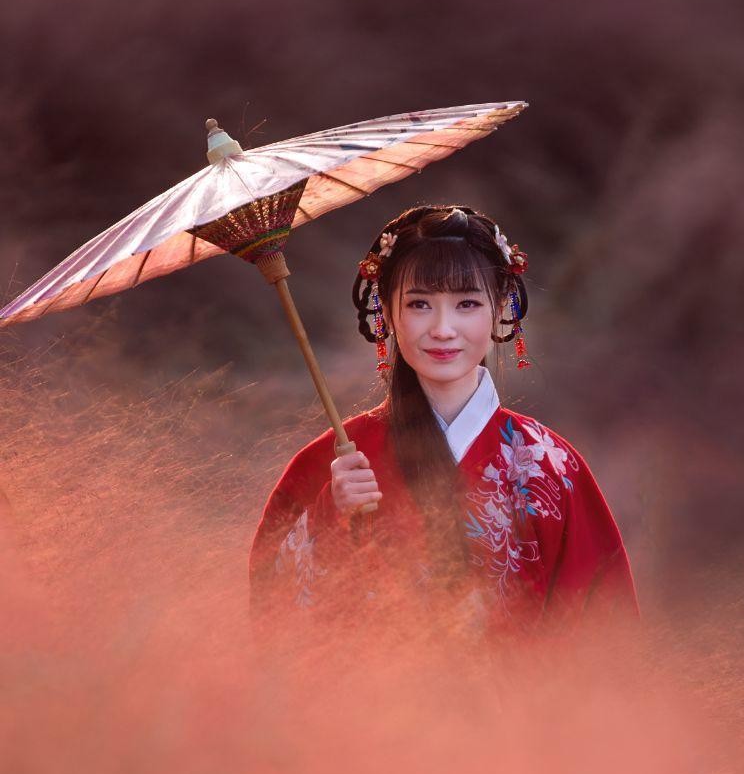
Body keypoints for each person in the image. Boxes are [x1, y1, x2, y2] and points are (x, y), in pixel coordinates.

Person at [249, 203, 639, 637]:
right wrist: (330, 514)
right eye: (419, 304)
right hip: (378, 705)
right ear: (387, 311)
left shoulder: (549, 467)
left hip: (522, 705)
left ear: (500, 307)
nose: (442, 328)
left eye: (467, 303)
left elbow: (606, 631)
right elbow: (272, 613)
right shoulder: (337, 463)